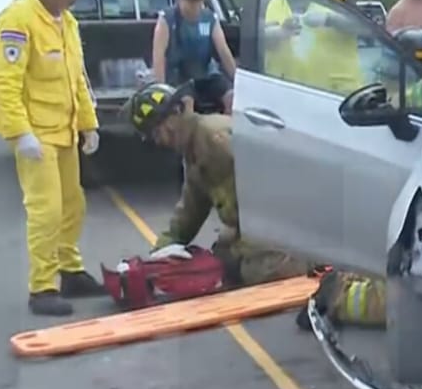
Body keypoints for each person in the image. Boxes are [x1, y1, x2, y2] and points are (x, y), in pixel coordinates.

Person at [0, 0, 106, 317]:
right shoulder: (18, 20)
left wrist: (89, 123)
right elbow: (4, 83)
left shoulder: (66, 22)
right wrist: (20, 133)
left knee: (74, 204)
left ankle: (69, 270)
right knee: (46, 211)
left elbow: (78, 79)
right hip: (36, 135)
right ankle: (42, 287)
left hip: (65, 130)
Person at [125, 81, 312, 288]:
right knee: (220, 261)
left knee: (248, 272)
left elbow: (271, 195)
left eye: (158, 130)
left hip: (282, 227)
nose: (159, 140)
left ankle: (308, 262)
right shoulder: (194, 150)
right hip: (257, 229)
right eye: (153, 136)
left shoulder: (214, 138)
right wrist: (157, 256)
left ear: (178, 111)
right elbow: (189, 212)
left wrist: (243, 247)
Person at [262, 0, 360, 95]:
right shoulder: (273, 3)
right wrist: (280, 32)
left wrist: (330, 19)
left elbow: (364, 28)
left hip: (339, 96)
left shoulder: (338, 0)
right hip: (286, 93)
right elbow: (257, 39)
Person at [151, 0, 237, 114]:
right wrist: (161, 90)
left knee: (231, 98)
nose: (195, 9)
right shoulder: (166, 20)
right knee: (187, 104)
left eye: (199, 3)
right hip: (179, 78)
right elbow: (158, 57)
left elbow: (223, 51)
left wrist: (237, 81)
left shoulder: (209, 18)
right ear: (179, 0)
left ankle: (226, 132)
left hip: (207, 75)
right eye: (191, 4)